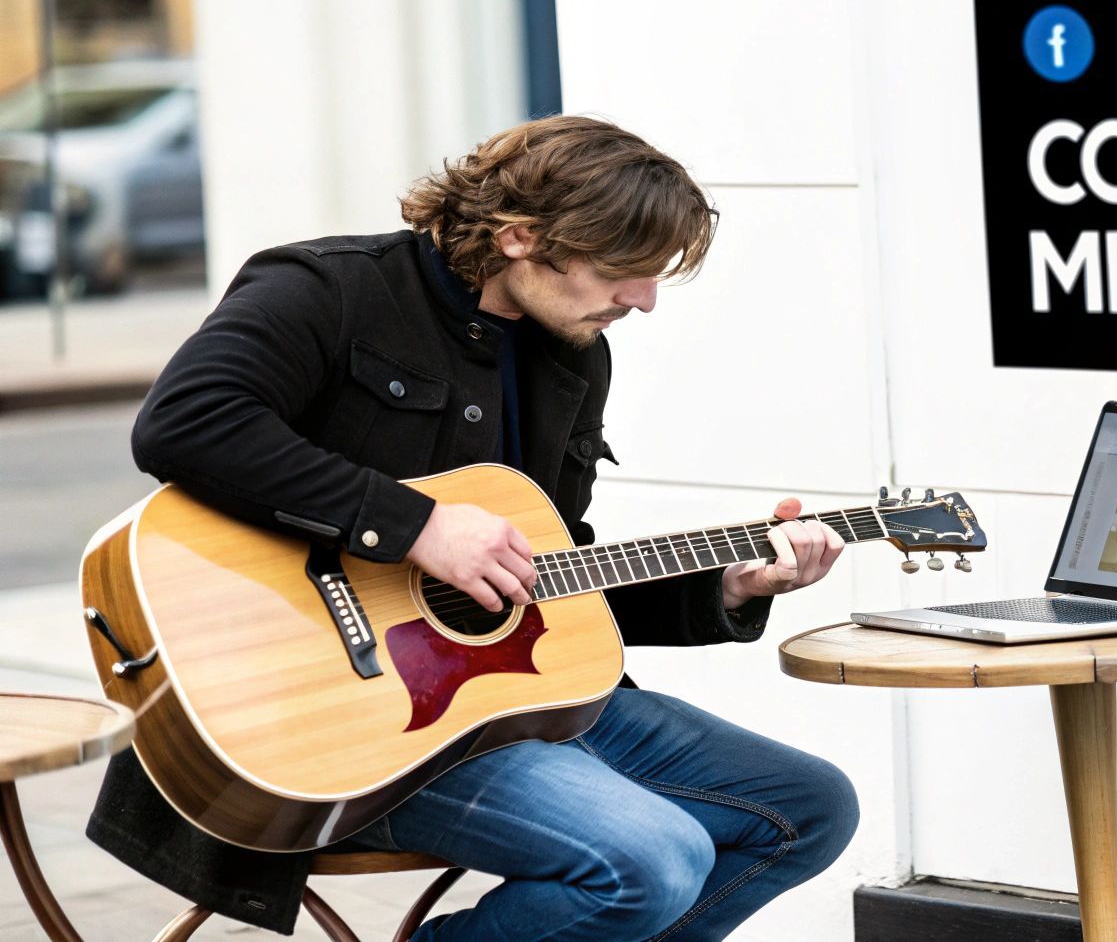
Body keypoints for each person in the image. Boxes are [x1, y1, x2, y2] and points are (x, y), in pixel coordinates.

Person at [85, 115, 861, 941]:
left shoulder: (572, 353)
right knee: (651, 861)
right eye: (622, 271)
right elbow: (184, 422)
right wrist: (415, 528)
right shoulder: (329, 288)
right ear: (523, 237)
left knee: (810, 808)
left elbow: (547, 577)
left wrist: (727, 587)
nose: (643, 301)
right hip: (340, 728)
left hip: (512, 708)